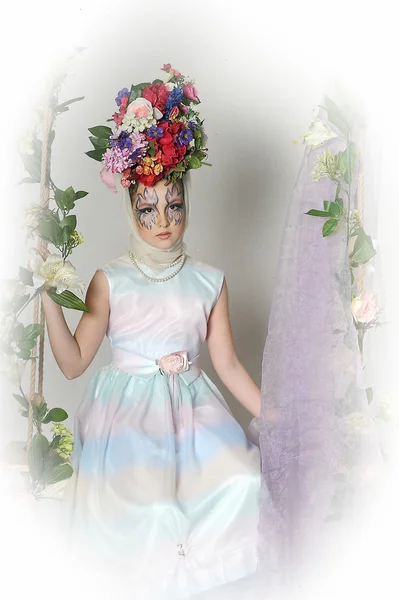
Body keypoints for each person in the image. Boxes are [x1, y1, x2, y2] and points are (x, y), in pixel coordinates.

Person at [40, 65, 263, 599]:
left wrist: (276, 416)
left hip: (193, 413)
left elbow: (227, 364)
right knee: (155, 512)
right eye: (148, 210)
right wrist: (46, 294)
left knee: (243, 482)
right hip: (130, 420)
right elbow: (73, 363)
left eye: (175, 206)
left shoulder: (209, 280)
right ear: (130, 210)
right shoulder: (109, 279)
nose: (163, 220)